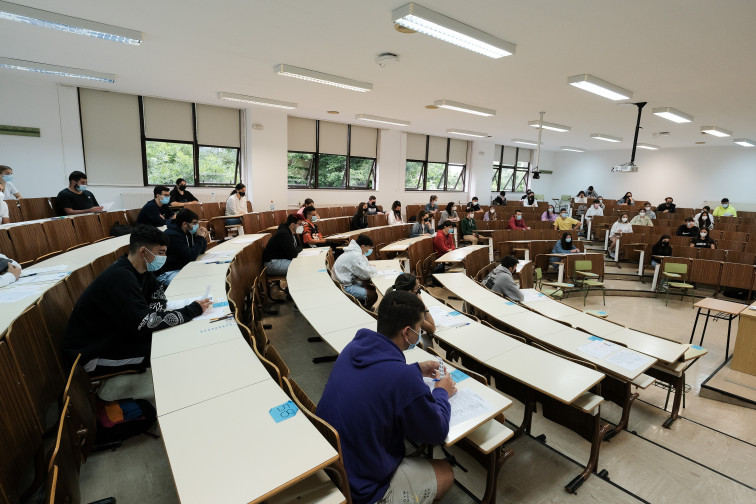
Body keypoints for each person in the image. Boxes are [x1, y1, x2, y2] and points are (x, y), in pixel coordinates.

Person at [317, 290, 456, 504]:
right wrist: (442, 391)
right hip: (363, 489)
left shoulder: (354, 347)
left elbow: (380, 375)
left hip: (335, 464)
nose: (420, 334)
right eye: (419, 328)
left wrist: (415, 369)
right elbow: (437, 431)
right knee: (446, 472)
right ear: (407, 333)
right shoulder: (402, 379)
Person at [63, 225, 212, 374]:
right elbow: (148, 322)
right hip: (91, 355)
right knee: (164, 351)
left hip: (120, 335)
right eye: (161, 253)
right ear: (143, 251)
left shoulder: (143, 269)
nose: (164, 258)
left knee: (170, 336)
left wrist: (152, 316)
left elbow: (159, 298)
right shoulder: (120, 277)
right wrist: (192, 309)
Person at [156, 208, 208, 286]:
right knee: (190, 284)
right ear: (185, 224)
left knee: (204, 276)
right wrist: (200, 238)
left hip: (182, 267)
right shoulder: (172, 235)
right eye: (194, 223)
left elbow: (201, 251)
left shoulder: (188, 231)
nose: (197, 226)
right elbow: (191, 256)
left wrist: (201, 237)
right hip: (167, 272)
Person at [388, 273, 436, 346]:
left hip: (393, 340)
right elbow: (432, 328)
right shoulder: (411, 311)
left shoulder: (392, 299)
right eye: (417, 289)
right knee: (428, 338)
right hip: (406, 345)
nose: (419, 293)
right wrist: (422, 305)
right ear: (410, 292)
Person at [332, 234, 377, 307]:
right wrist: (373, 268)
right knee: (372, 295)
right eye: (369, 248)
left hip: (345, 281)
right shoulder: (355, 255)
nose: (370, 250)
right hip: (344, 286)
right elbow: (366, 274)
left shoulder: (356, 252)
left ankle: (361, 304)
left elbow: (365, 267)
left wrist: (370, 268)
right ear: (362, 247)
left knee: (370, 287)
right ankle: (365, 311)